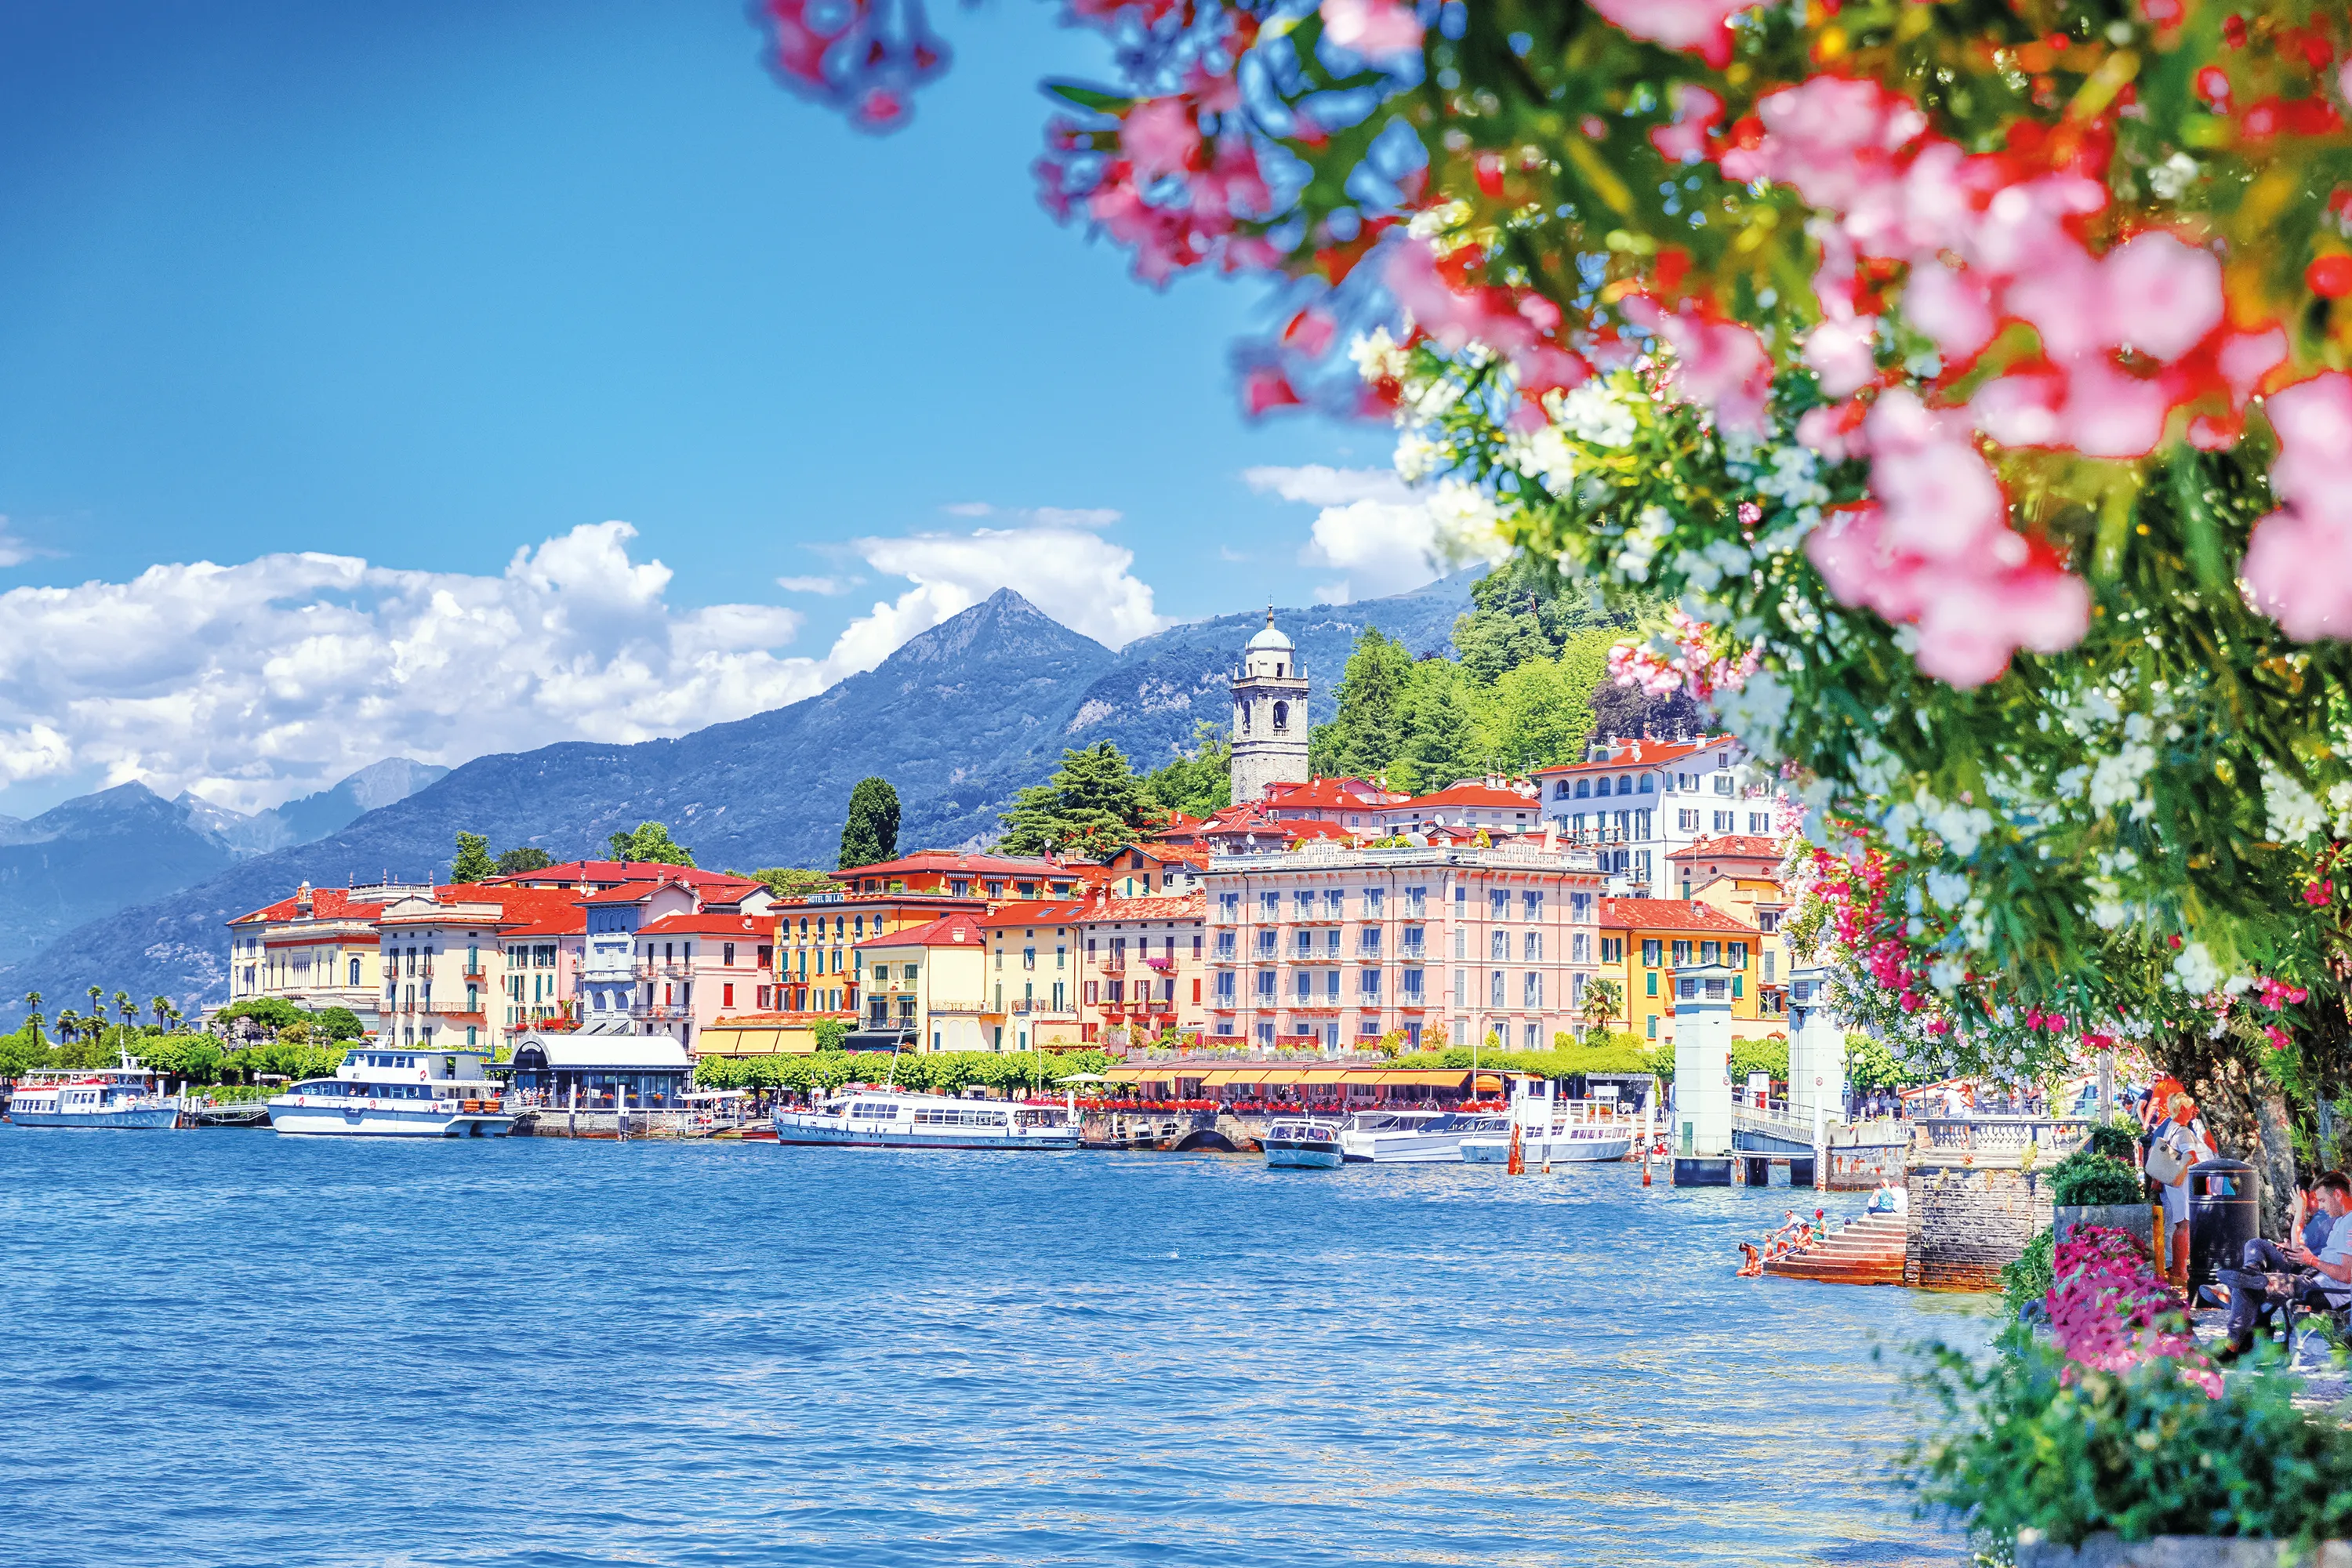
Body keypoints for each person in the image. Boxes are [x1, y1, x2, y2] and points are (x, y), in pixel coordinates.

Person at [2228, 1172, 2352, 1356]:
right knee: (2255, 1248)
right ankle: (2251, 1274)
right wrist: (2306, 1257)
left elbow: (2346, 1275)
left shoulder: (2348, 1224)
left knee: (2245, 1286)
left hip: (2324, 1290)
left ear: (2338, 1195)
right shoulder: (2341, 1220)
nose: (2321, 1206)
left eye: (2323, 1200)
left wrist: (2311, 1260)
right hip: (2313, 1275)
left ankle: (2234, 1346)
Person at [2150, 1090, 2216, 1289]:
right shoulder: (2184, 1132)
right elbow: (2192, 1158)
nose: (2193, 1111)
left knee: (2181, 1225)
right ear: (2182, 1108)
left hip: (2175, 1185)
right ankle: (2181, 1272)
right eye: (2190, 1108)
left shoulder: (2170, 1127)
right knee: (2186, 1225)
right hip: (2187, 1183)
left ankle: (2179, 1271)